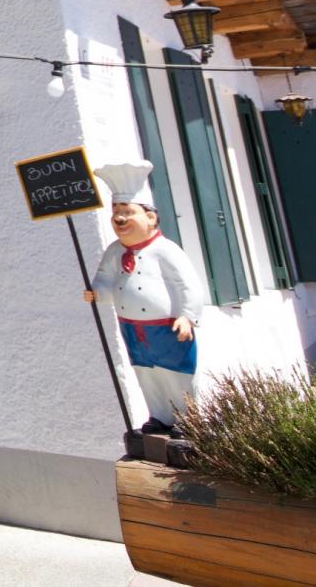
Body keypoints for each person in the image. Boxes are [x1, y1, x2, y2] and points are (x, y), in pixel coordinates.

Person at [82, 161, 207, 435]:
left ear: (150, 217)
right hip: (132, 327)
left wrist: (187, 316)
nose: (120, 219)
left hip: (166, 326)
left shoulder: (165, 250)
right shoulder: (114, 251)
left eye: (127, 212)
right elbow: (105, 279)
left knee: (177, 374)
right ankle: (159, 416)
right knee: (146, 373)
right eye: (116, 212)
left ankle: (188, 420)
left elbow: (188, 285)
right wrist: (97, 292)